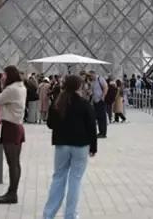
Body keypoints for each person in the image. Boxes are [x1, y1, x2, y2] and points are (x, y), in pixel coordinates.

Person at [43, 75, 98, 219]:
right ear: (79, 87)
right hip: (80, 145)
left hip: (61, 144)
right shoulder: (85, 104)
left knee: (58, 178)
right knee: (75, 179)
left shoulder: (57, 102)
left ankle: (48, 214)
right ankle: (71, 215)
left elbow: (50, 124)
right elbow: (92, 127)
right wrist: (93, 147)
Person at [0, 66, 27, 204]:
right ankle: (12, 191)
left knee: (12, 163)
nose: (2, 77)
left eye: (4, 75)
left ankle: (12, 193)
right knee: (15, 163)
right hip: (17, 125)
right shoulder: (21, 87)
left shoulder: (11, 89)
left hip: (10, 126)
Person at [87, 70, 109, 138]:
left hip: (100, 100)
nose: (90, 77)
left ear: (93, 74)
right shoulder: (92, 81)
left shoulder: (100, 79)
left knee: (102, 117)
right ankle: (100, 132)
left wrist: (103, 97)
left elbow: (106, 87)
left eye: (90, 75)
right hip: (95, 100)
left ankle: (103, 132)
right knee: (98, 117)